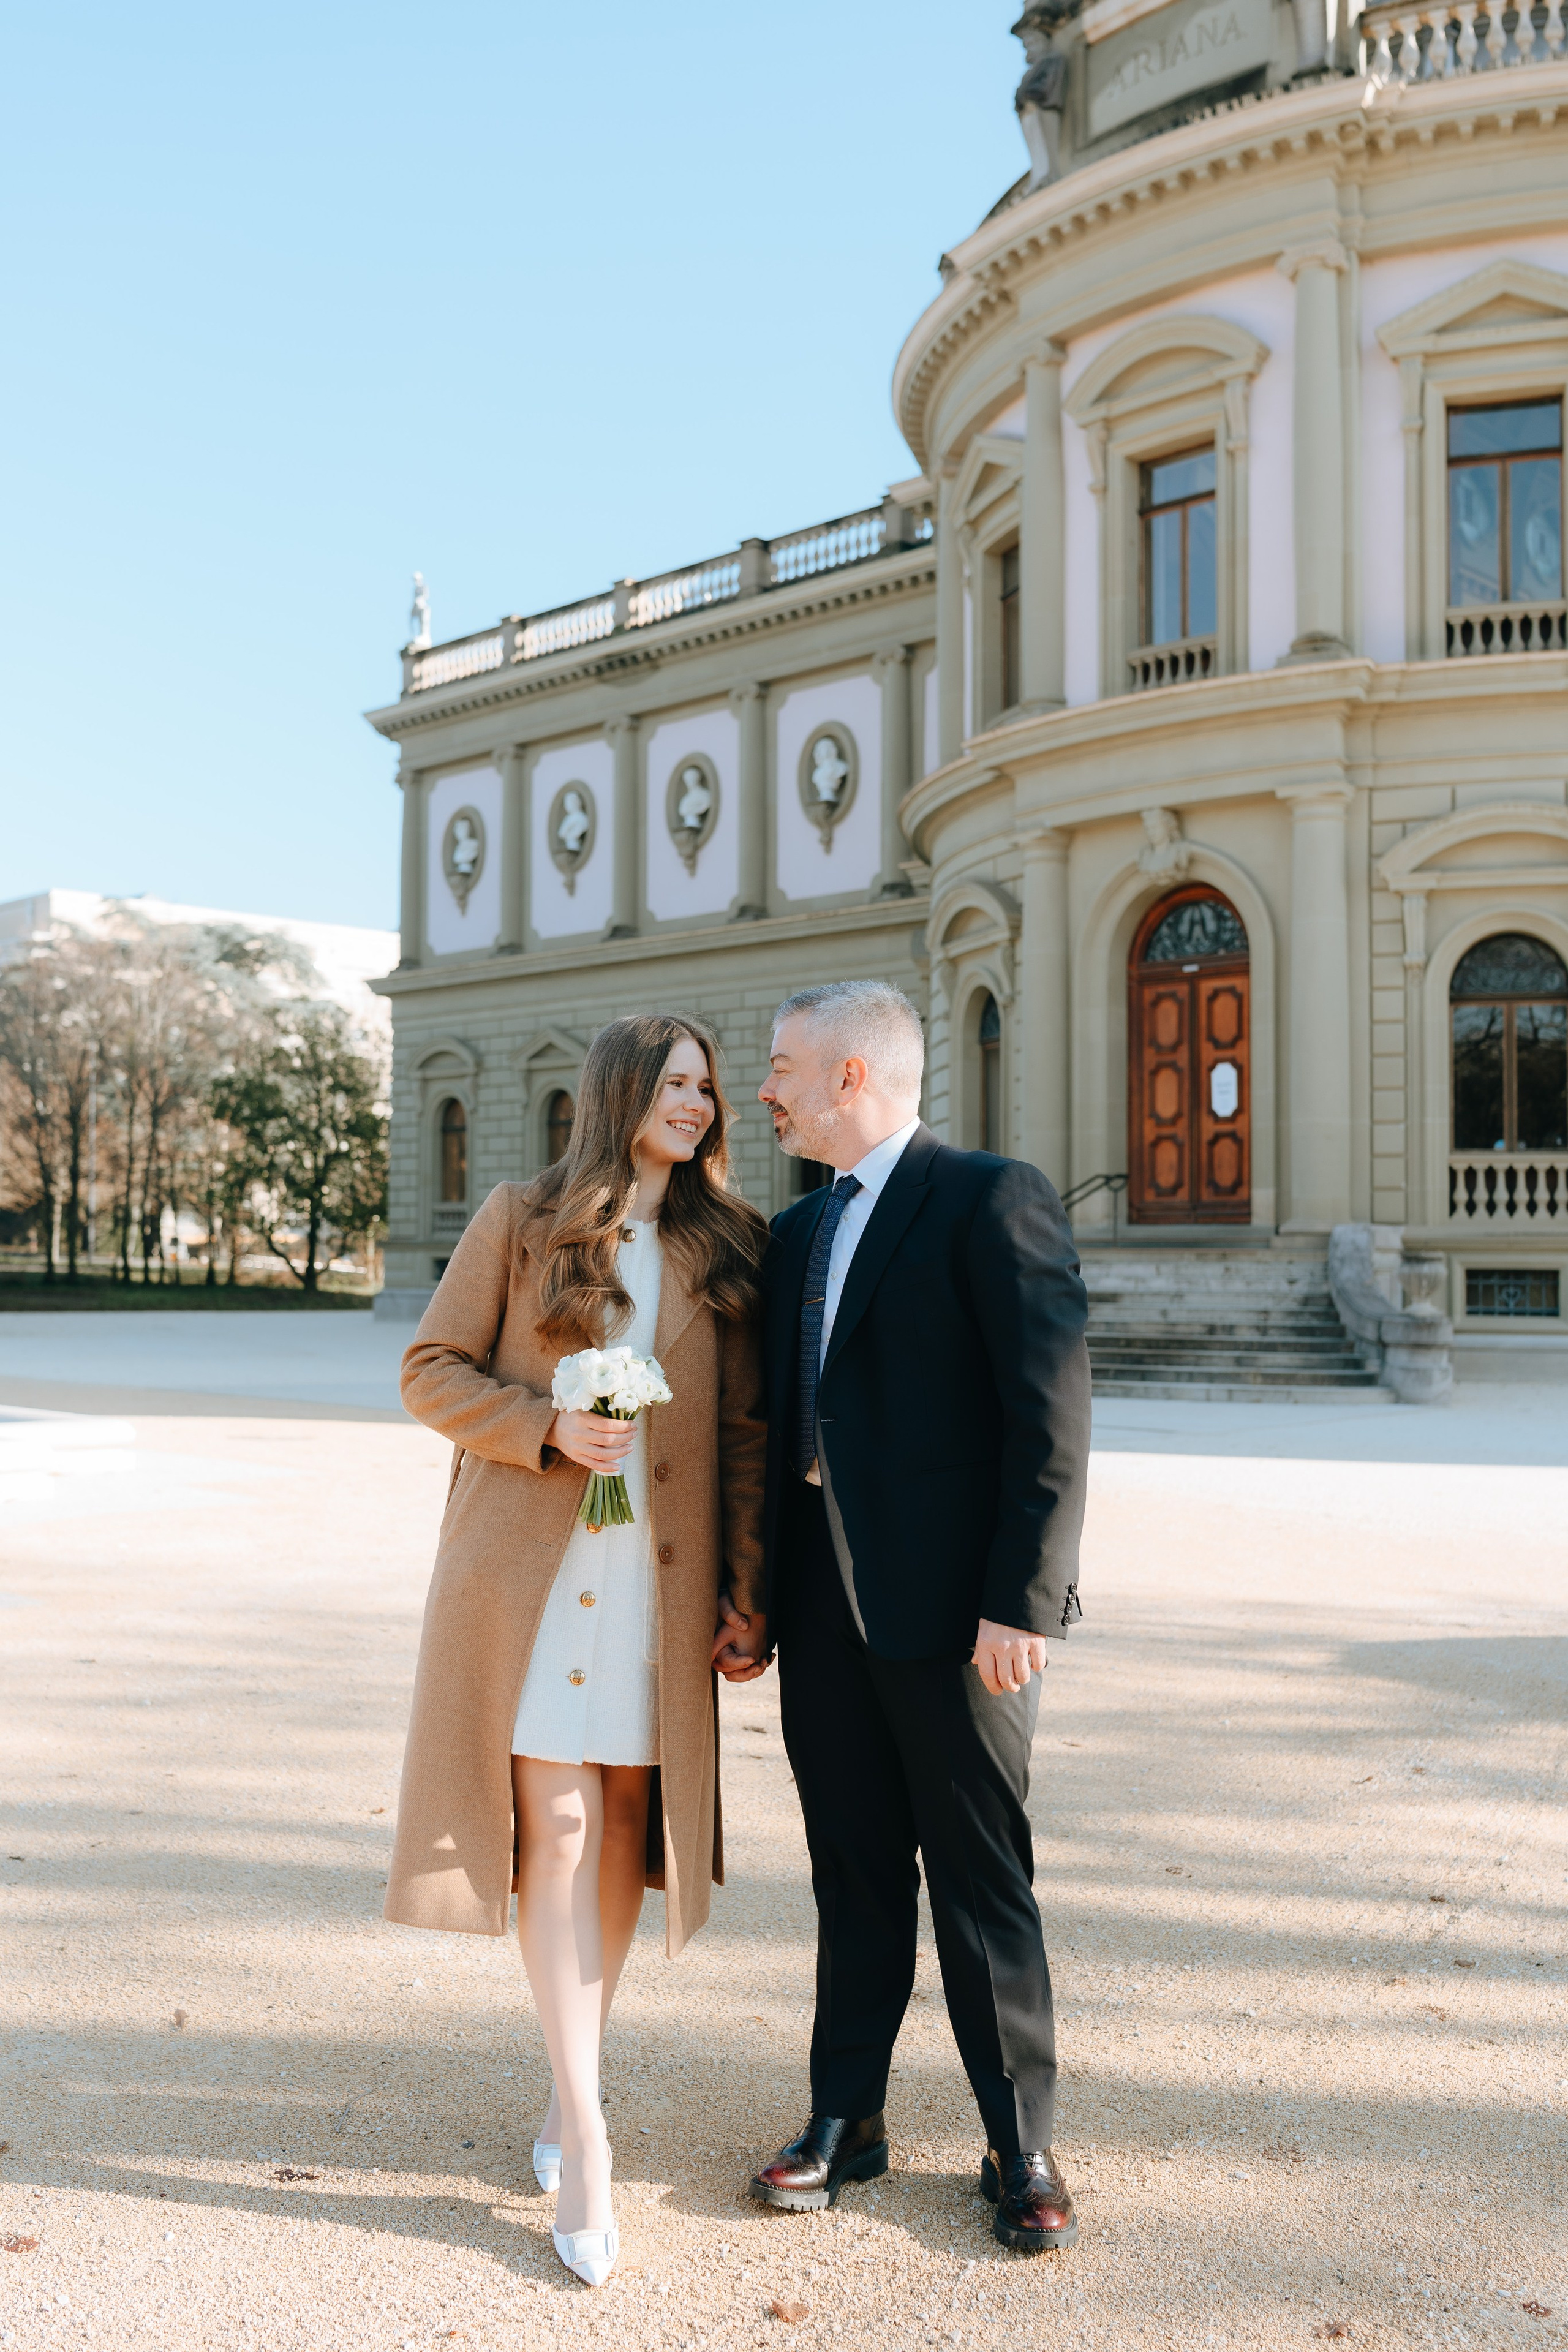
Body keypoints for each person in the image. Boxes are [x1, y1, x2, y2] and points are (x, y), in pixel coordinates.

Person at [386, 1015, 769, 2288]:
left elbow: (750, 1438)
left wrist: (747, 1591)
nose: (698, 1104)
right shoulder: (520, 1214)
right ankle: (588, 2128)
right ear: (619, 1095)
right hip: (530, 1577)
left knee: (620, 1827)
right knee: (547, 1830)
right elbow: (429, 1369)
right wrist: (545, 1427)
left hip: (659, 1585)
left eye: (706, 1087)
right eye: (674, 1084)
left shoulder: (728, 1244)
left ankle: (569, 2077)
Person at [734, 979, 1091, 2252]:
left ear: (847, 1077)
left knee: (981, 1883)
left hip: (959, 1621)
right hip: (821, 1617)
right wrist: (752, 1603)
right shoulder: (792, 1236)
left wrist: (1020, 1603)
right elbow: (779, 1435)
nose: (759, 1086)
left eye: (779, 1065)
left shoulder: (988, 1196)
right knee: (852, 1872)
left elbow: (1047, 1418)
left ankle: (1019, 2144)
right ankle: (847, 2120)